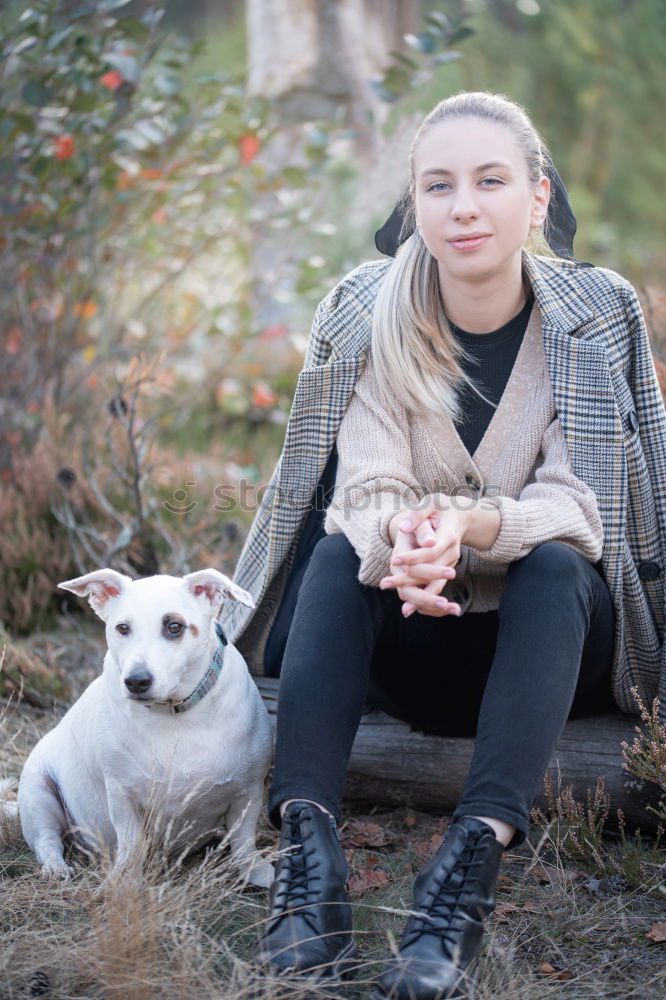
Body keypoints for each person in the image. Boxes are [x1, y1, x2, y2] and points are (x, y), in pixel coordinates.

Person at [220, 90, 666, 1000]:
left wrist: (471, 527)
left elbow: (583, 503)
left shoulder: (592, 316)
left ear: (537, 196)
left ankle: (465, 871)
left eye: (490, 181)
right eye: (439, 185)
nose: (464, 206)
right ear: (414, 204)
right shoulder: (367, 310)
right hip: (409, 646)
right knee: (341, 552)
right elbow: (366, 480)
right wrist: (406, 543)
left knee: (551, 563)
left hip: (549, 650)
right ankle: (310, 862)